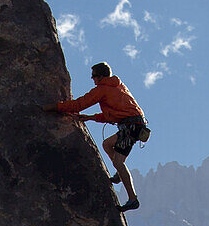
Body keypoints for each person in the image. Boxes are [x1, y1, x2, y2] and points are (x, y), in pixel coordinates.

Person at [42, 62, 147, 211]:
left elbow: (78, 105)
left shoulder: (102, 89)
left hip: (130, 127)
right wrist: (91, 117)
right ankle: (119, 175)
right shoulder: (118, 86)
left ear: (100, 77)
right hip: (134, 125)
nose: (92, 79)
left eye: (94, 76)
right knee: (107, 144)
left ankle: (132, 199)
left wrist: (55, 107)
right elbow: (116, 113)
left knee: (118, 161)